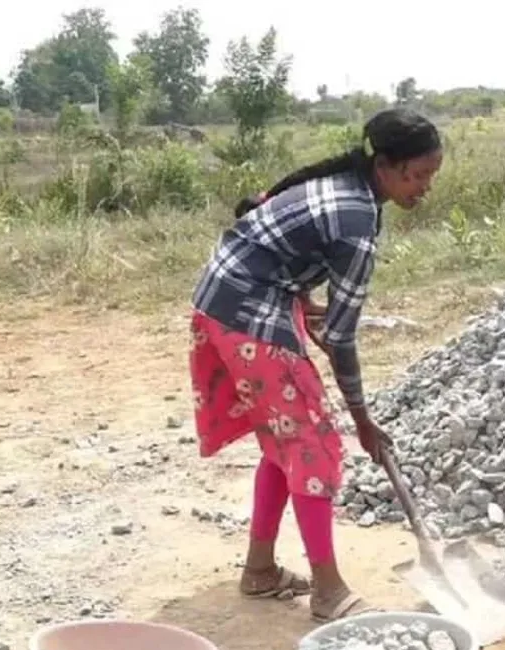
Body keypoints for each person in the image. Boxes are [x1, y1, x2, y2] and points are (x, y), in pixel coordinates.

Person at [188, 108, 443, 621]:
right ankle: (329, 591)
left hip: (221, 302)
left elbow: (276, 238)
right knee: (311, 443)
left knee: (284, 440)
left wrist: (302, 303)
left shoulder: (347, 186)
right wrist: (362, 419)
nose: (425, 188)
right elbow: (343, 337)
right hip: (248, 313)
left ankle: (260, 570)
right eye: (417, 176)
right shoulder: (357, 222)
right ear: (385, 166)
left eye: (431, 177)